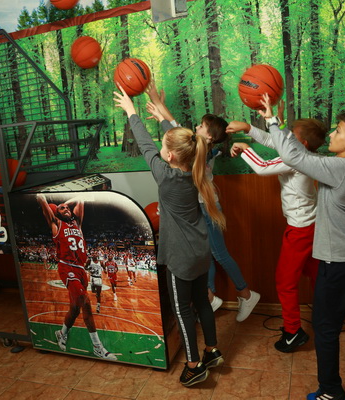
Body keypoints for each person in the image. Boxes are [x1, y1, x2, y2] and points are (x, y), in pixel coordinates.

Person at [258, 93, 345, 400]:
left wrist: (272, 121)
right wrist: (271, 128)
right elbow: (298, 152)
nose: (331, 134)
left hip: (338, 262)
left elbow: (295, 157)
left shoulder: (339, 168)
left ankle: (331, 391)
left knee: (325, 327)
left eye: (338, 131)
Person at [114, 84, 225, 387]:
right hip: (200, 251)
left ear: (172, 156)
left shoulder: (167, 177)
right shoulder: (194, 169)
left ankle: (194, 365)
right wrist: (163, 120)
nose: (160, 150)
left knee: (183, 310)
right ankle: (212, 350)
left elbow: (146, 145)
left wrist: (132, 112)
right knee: (202, 302)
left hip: (180, 257)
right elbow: (184, 141)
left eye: (165, 147)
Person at [146, 81, 260, 322]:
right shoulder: (201, 147)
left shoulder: (203, 151)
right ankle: (209, 296)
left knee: (219, 254)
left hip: (207, 208)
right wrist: (159, 104)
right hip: (200, 206)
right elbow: (175, 129)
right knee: (205, 254)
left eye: (200, 126)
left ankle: (246, 294)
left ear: (209, 135)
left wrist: (159, 107)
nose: (195, 127)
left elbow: (174, 130)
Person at [228, 107, 327, 353]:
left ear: (301, 143)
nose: (286, 136)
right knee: (316, 275)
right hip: (312, 225)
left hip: (300, 230)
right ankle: (328, 318)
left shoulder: (295, 159)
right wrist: (248, 128)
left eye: (292, 134)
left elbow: (262, 167)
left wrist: (245, 148)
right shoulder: (302, 152)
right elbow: (275, 140)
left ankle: (293, 332)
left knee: (285, 283)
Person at [36, 194, 116, 361]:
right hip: (67, 267)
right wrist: (53, 206)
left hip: (81, 270)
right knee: (85, 302)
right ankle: (97, 347)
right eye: (62, 208)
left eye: (68, 208)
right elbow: (41, 199)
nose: (67, 209)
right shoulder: (56, 224)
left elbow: (81, 199)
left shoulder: (77, 223)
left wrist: (64, 204)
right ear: (56, 214)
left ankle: (62, 333)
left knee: (74, 308)